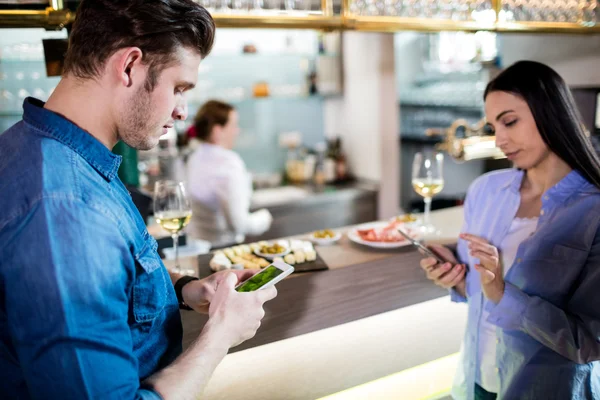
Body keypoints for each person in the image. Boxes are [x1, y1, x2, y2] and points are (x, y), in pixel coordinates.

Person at [0, 1, 277, 399]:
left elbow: (113, 272)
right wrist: (221, 334)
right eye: (179, 88)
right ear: (129, 66)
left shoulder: (47, 147)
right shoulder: (67, 209)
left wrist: (184, 288)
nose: (183, 112)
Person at [419, 61, 600, 400]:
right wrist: (458, 276)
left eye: (510, 122)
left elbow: (591, 343)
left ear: (550, 112)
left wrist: (503, 293)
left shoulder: (592, 208)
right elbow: (481, 293)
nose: (499, 139)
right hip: (479, 381)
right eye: (492, 126)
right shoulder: (485, 190)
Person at [184, 100, 273, 248]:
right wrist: (265, 218)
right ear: (217, 131)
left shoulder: (195, 157)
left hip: (197, 246)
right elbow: (239, 225)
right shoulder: (228, 163)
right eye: (233, 125)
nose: (237, 131)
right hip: (224, 247)